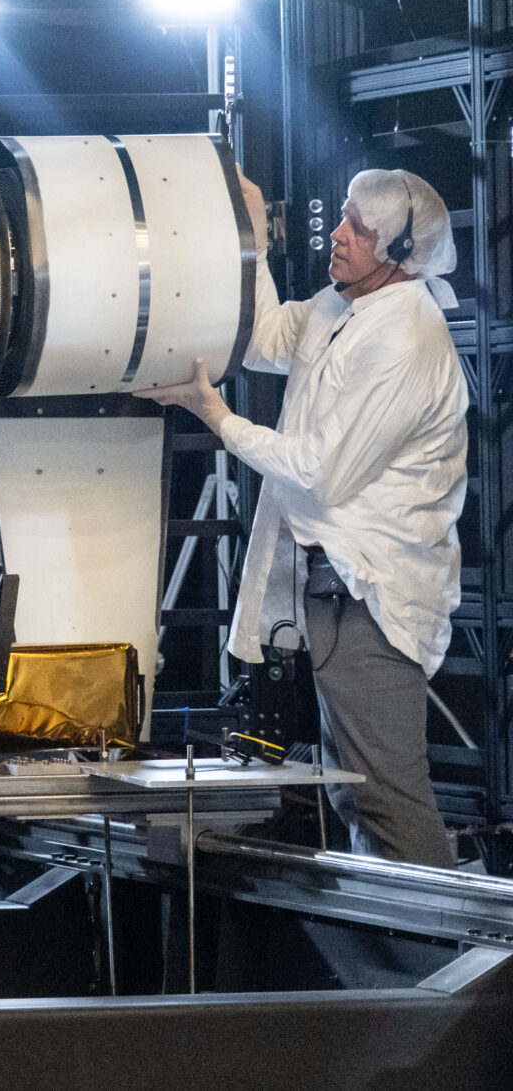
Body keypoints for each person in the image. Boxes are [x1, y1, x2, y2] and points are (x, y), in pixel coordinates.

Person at [137, 166, 468, 868]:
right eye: (343, 217)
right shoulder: (340, 306)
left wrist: (216, 415)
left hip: (373, 591)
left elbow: (322, 470)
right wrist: (249, 229)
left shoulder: (406, 335)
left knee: (385, 791)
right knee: (353, 792)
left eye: (359, 229)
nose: (337, 233)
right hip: (332, 587)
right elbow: (261, 338)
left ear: (402, 250)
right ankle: (395, 947)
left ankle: (455, 961)